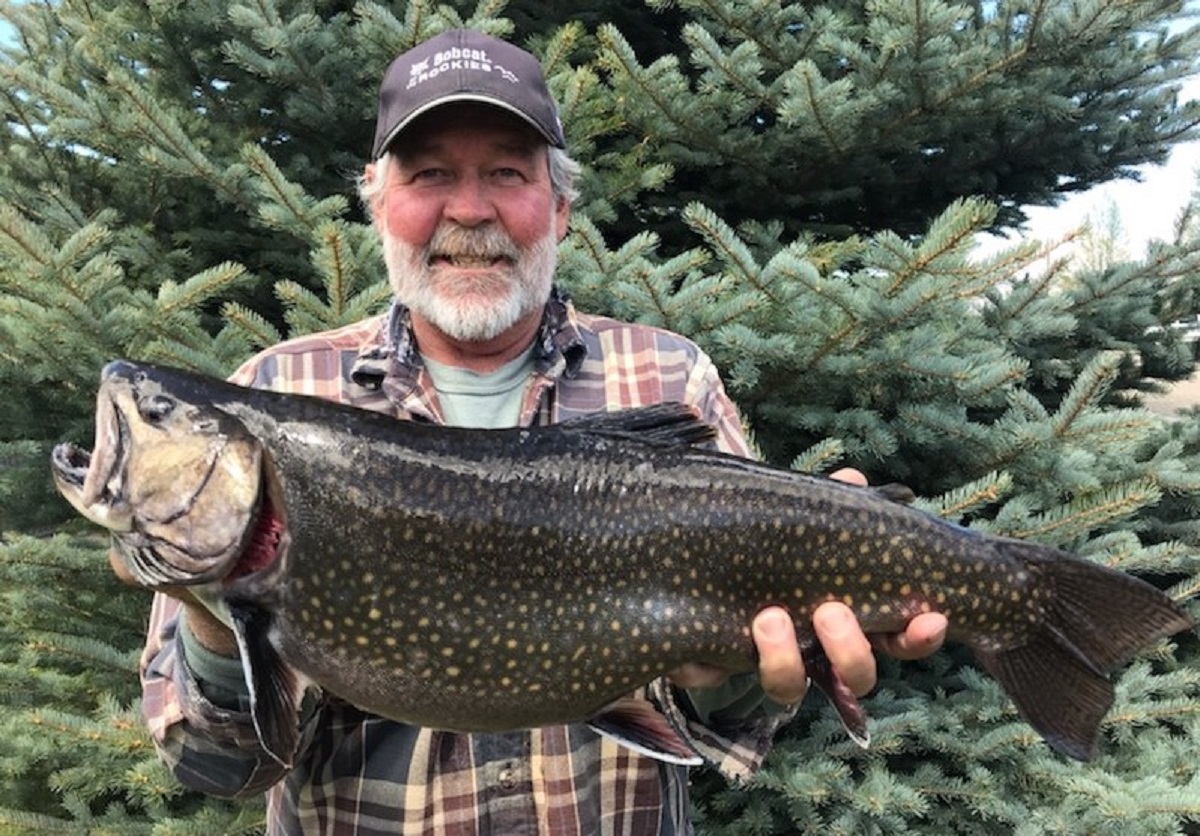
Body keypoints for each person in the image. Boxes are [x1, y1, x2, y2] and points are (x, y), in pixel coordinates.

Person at [126, 29, 948, 835]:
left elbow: (729, 733)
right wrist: (213, 615)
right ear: (379, 203)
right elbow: (214, 768)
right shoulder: (269, 398)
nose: (470, 209)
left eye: (506, 174)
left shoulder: (669, 376)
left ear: (557, 209)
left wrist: (727, 673)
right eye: (431, 174)